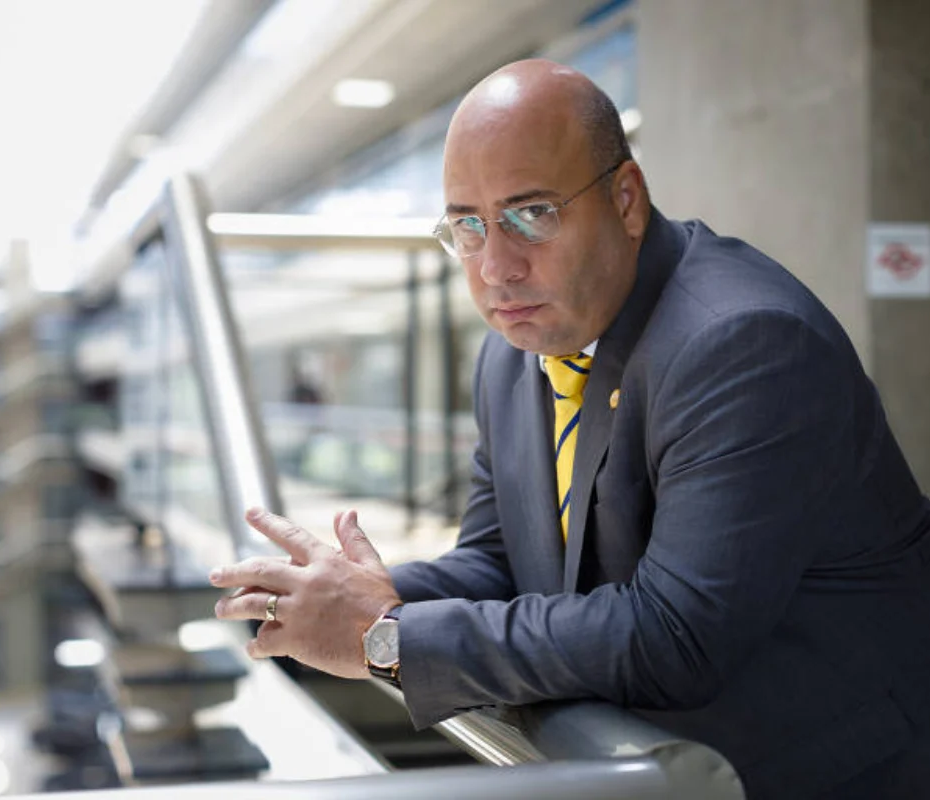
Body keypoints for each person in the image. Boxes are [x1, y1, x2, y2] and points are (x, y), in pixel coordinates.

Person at [208, 59, 930, 799]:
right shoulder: (513, 352)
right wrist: (351, 595)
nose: (496, 267)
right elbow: (501, 562)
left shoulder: (742, 343)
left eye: (531, 215)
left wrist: (386, 637)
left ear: (625, 200)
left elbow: (674, 638)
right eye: (467, 226)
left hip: (834, 774)